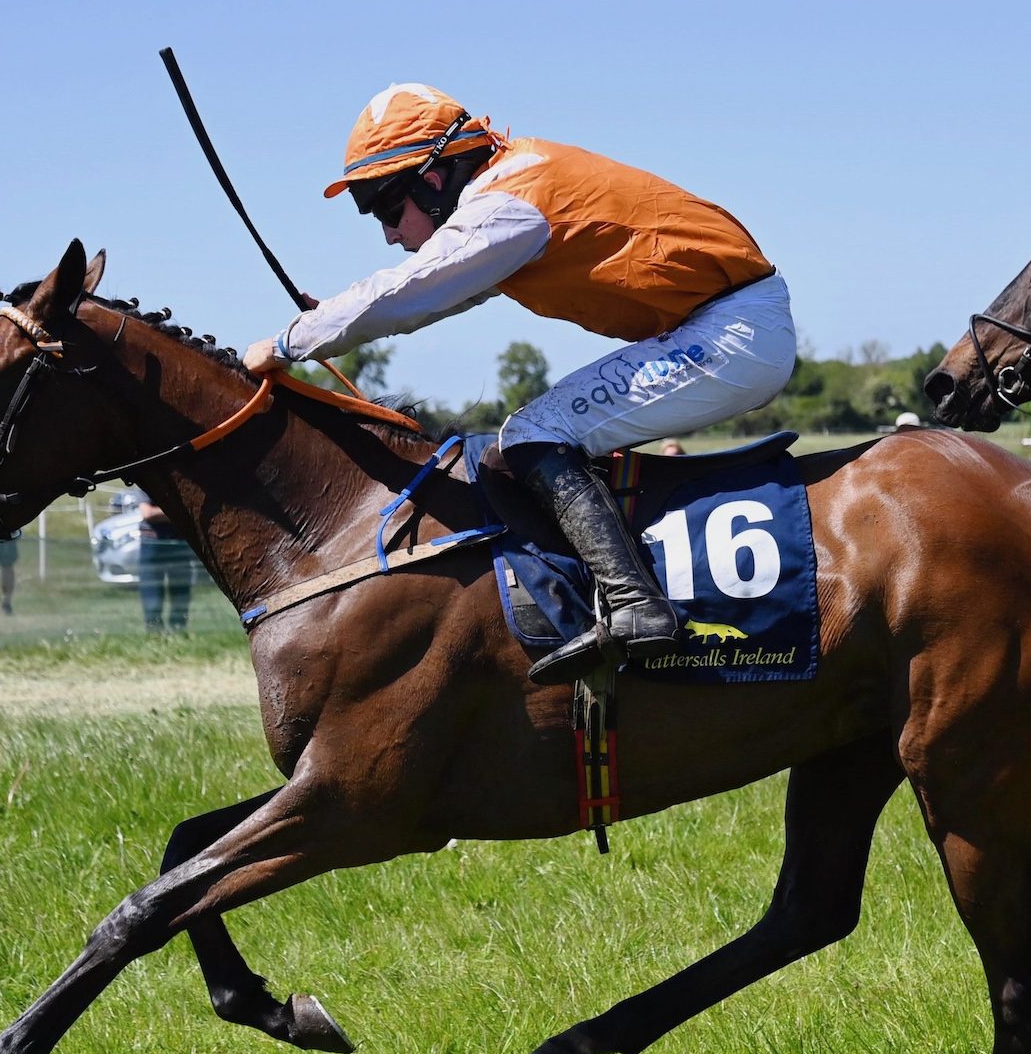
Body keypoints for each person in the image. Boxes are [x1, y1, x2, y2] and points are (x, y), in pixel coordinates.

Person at [243, 84, 795, 684]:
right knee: (539, 430)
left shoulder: (507, 203)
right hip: (724, 323)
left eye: (385, 208)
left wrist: (288, 341)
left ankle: (636, 603)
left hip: (732, 332)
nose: (389, 234)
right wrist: (333, 320)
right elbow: (435, 293)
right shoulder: (508, 188)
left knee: (533, 433)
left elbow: (411, 289)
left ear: (433, 177)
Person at [136, 496, 192, 633]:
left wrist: (161, 513)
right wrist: (176, 511)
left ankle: (178, 629)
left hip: (180, 543)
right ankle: (154, 632)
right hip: (152, 544)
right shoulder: (147, 479)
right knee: (152, 591)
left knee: (181, 591)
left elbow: (189, 510)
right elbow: (148, 513)